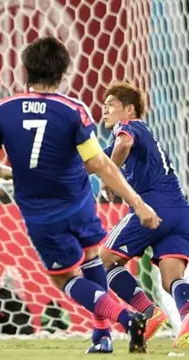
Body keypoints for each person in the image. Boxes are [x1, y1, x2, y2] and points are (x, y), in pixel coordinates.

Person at [0, 36, 160, 354]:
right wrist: (138, 203)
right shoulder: (74, 110)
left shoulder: (1, 111)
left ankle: (126, 319)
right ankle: (101, 336)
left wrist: (6, 175)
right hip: (79, 204)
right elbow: (98, 163)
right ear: (63, 72)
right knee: (92, 259)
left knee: (64, 280)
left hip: (42, 214)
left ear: (25, 69)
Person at [98, 81, 189, 349]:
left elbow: (122, 146)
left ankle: (149, 312)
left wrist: (109, 179)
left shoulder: (129, 127)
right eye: (103, 105)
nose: (105, 110)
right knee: (171, 277)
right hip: (180, 213)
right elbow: (92, 164)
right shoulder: (139, 138)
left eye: (111, 105)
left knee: (100, 262)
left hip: (153, 207)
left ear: (129, 110)